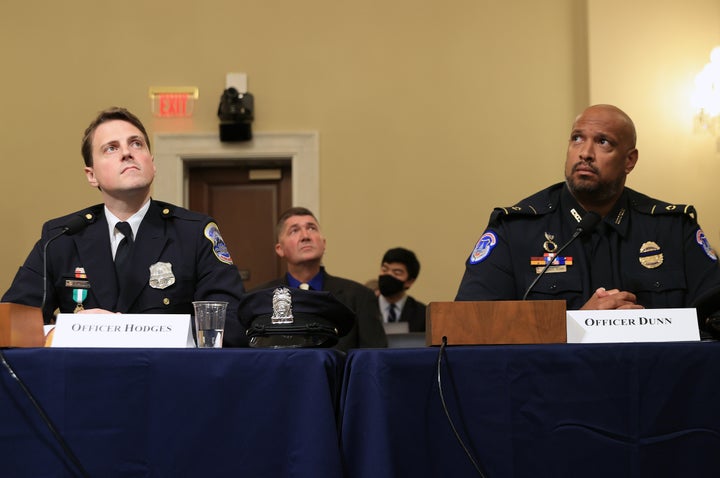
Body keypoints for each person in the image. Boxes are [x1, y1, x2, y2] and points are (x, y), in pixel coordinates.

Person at [2, 107, 247, 346]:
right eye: (111, 148)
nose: (127, 153)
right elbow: (11, 325)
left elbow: (231, 322)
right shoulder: (62, 237)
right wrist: (69, 331)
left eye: (136, 144)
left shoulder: (193, 232)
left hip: (167, 379)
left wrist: (127, 331)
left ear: (152, 163)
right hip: (85, 379)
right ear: (91, 175)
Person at [455, 104, 720, 323]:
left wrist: (650, 327)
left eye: (603, 142)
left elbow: (714, 321)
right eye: (577, 138)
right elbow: (469, 324)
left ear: (630, 160)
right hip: (551, 383)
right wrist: (575, 326)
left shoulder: (673, 229)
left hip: (654, 381)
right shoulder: (517, 230)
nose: (585, 153)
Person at [252, 207, 387, 350]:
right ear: (280, 249)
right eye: (294, 231)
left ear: (324, 244)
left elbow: (374, 358)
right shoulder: (260, 300)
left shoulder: (360, 297)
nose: (305, 236)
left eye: (311, 228)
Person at [377, 247, 427, 332]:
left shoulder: (423, 314)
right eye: (384, 269)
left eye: (397, 273)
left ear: (410, 281)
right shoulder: (362, 308)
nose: (388, 275)